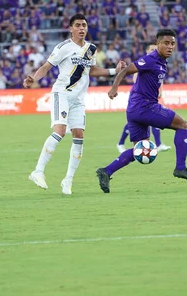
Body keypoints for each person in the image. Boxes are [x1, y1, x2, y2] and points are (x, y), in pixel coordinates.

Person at [23, 14, 125, 195]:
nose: (82, 28)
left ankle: (68, 180)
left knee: (79, 136)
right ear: (71, 29)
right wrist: (34, 78)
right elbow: (47, 66)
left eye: (84, 25)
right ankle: (37, 171)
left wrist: (113, 71)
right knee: (60, 132)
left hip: (78, 99)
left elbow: (91, 70)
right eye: (78, 25)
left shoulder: (90, 48)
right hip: (61, 94)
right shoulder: (63, 47)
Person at [96, 29, 187, 194]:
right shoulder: (151, 59)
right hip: (144, 106)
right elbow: (128, 69)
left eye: (172, 43)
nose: (170, 46)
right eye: (166, 43)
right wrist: (114, 87)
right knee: (183, 126)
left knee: (142, 147)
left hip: (134, 109)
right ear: (158, 44)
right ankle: (180, 168)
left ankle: (106, 171)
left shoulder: (161, 61)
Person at [116, 44, 171, 154]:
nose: (154, 51)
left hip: (150, 96)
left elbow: (160, 79)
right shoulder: (144, 62)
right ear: (147, 50)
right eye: (151, 49)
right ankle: (121, 143)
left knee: (150, 118)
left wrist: (160, 90)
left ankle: (159, 144)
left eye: (155, 49)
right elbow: (136, 79)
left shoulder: (158, 62)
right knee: (137, 119)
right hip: (139, 96)